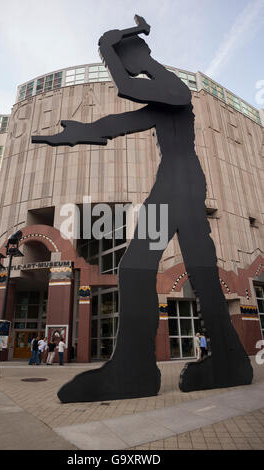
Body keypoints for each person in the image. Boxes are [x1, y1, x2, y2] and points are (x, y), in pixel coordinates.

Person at [32, 15, 253, 401]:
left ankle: (137, 367)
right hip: (176, 182)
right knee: (187, 267)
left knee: (141, 266)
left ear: (139, 54)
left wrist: (106, 51)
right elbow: (125, 121)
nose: (126, 63)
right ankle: (224, 357)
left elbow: (125, 88)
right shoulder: (163, 95)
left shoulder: (173, 87)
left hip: (179, 183)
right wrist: (82, 133)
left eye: (126, 56)